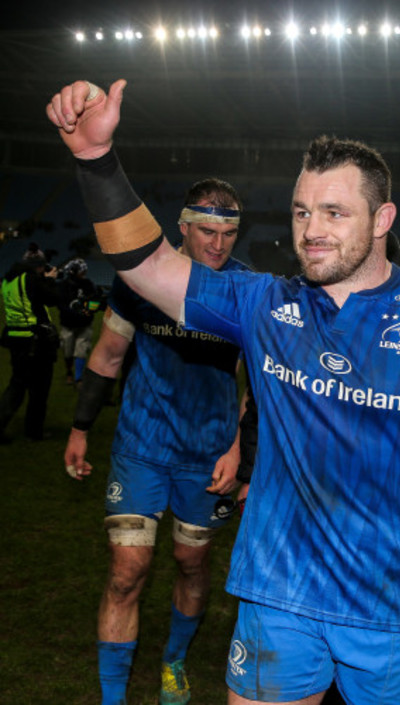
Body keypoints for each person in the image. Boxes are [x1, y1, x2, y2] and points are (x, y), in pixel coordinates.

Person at [48, 79, 400, 705]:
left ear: (382, 220)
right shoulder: (266, 306)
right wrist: (95, 160)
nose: (312, 230)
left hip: (394, 607)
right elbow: (149, 267)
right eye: (301, 211)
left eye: (334, 212)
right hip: (277, 598)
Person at [63, 174, 251, 705]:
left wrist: (239, 449)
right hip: (141, 447)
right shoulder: (141, 280)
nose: (217, 244)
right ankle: (111, 697)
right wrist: (80, 427)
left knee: (192, 564)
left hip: (208, 456)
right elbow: (106, 357)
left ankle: (173, 661)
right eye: (206, 231)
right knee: (127, 571)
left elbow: (259, 387)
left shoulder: (243, 290)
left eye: (228, 234)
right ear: (182, 228)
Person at [0, 255, 60, 441]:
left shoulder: (7, 280)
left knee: (17, 385)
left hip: (16, 338)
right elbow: (51, 298)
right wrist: (49, 280)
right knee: (39, 389)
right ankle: (34, 431)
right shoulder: (30, 278)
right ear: (38, 267)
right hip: (35, 341)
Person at [57, 257, 103, 385]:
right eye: (81, 271)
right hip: (68, 324)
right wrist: (77, 313)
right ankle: (69, 372)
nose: (84, 274)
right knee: (68, 352)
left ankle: (78, 378)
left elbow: (95, 300)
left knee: (81, 352)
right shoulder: (63, 286)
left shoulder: (88, 284)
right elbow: (61, 305)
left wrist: (90, 310)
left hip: (84, 325)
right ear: (73, 272)